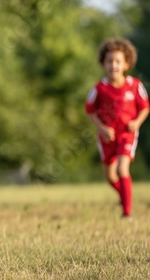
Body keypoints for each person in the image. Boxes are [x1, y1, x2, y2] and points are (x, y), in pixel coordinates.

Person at [85, 38, 149, 218]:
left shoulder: (135, 85)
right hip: (107, 138)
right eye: (109, 61)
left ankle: (127, 212)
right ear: (103, 64)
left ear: (126, 64)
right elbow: (89, 111)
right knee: (110, 177)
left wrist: (136, 123)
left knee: (122, 170)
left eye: (118, 61)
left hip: (127, 135)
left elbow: (145, 108)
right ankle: (124, 196)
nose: (114, 65)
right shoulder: (99, 89)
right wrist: (102, 128)